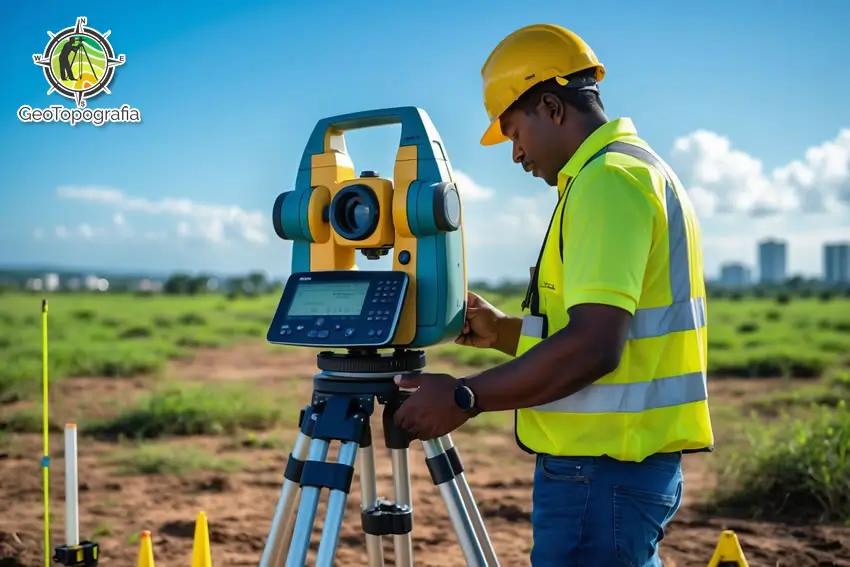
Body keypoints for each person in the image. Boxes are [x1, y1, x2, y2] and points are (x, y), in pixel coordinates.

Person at [393, 23, 715, 567]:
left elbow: (595, 347)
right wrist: (503, 333)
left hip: (601, 473)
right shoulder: (633, 172)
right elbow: (612, 335)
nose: (516, 154)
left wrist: (464, 396)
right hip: (615, 470)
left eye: (515, 132)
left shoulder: (608, 181)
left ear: (552, 105)